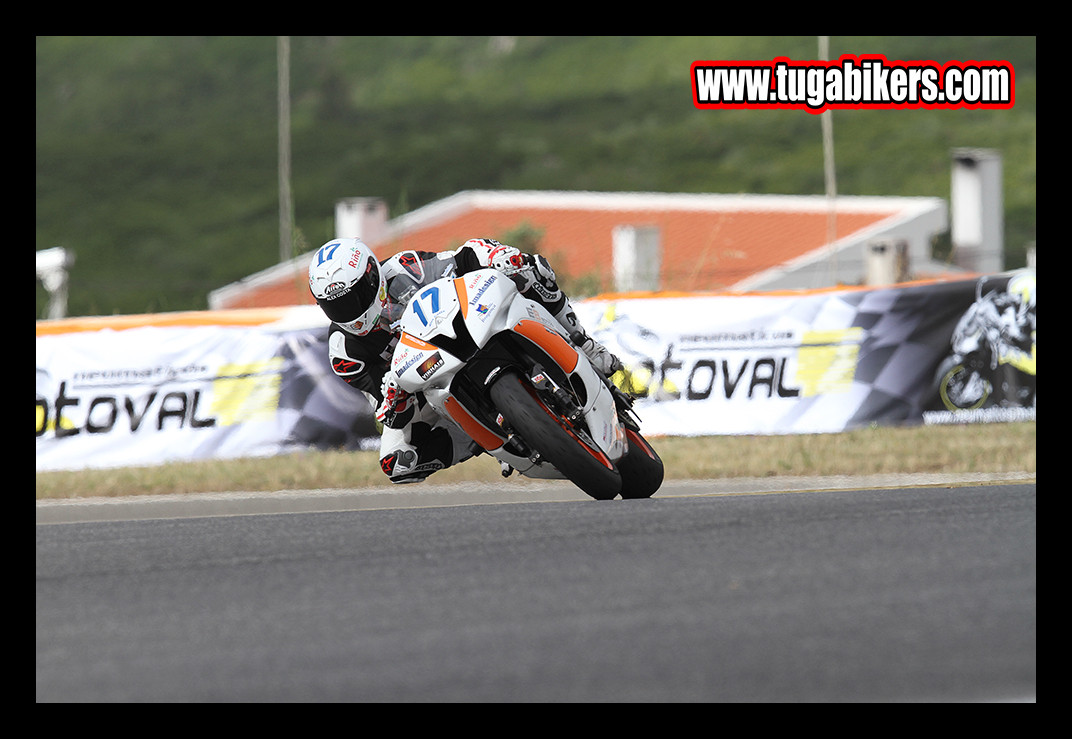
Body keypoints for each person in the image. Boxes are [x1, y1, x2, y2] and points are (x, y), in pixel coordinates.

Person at [308, 237, 622, 483]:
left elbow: (463, 257)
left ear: (372, 275)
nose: (350, 311)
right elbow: (393, 413)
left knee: (531, 270)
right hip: (428, 385)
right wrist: (391, 395)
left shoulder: (405, 268)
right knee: (397, 462)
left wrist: (497, 256)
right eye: (336, 306)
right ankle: (482, 437)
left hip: (469, 327)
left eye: (355, 296)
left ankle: (585, 344)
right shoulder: (344, 353)